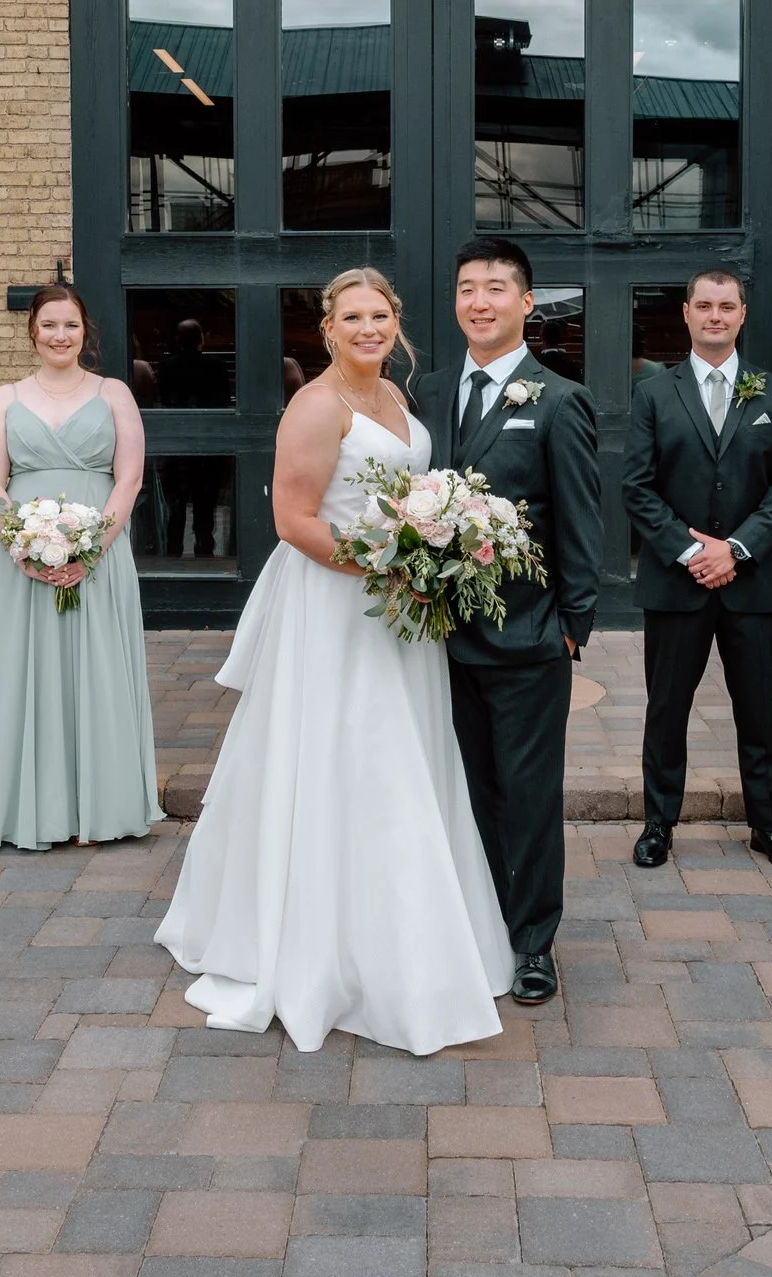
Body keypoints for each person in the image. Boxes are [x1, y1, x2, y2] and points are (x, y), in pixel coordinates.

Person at [157, 268, 511, 1054]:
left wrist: (431, 551)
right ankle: (328, 949)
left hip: (401, 615)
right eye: (351, 317)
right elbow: (293, 520)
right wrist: (390, 565)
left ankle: (405, 938)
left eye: (379, 315)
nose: (367, 328)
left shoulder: (396, 397)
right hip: (338, 608)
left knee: (402, 759)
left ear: (396, 322)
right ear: (327, 328)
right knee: (348, 758)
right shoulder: (316, 405)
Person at [418, 238, 602, 1006]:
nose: (479, 301)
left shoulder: (558, 399)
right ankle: (478, 923)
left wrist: (572, 624)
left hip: (528, 634)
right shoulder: (426, 392)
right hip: (434, 638)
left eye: (496, 287)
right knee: (465, 791)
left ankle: (532, 942)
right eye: (468, 287)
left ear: (526, 302)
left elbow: (581, 521)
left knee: (527, 797)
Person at [0, 286, 160, 850]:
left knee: (96, 670)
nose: (61, 336)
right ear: (32, 330)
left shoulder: (114, 393)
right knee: (18, 673)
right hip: (22, 559)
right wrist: (22, 547)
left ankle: (98, 809)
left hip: (99, 554)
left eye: (71, 325)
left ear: (85, 332)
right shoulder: (7, 398)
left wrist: (90, 550)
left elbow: (129, 478)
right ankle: (17, 809)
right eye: (50, 325)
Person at [621, 270, 772, 870]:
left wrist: (737, 549)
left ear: (742, 314)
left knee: (759, 710)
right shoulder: (654, 393)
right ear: (686, 313)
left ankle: (768, 826)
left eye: (726, 306)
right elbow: (637, 486)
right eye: (704, 305)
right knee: (666, 709)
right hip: (677, 583)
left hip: (755, 584)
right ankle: (658, 824)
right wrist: (690, 551)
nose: (715, 316)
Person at [155, 318, 229, 560]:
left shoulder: (166, 367)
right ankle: (204, 549)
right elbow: (223, 403)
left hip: (176, 445)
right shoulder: (216, 367)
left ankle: (173, 552)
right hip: (207, 446)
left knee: (176, 504)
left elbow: (163, 401)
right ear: (201, 339)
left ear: (178, 340)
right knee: (204, 502)